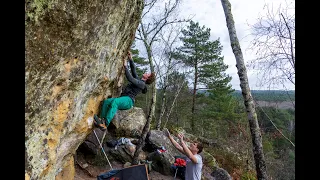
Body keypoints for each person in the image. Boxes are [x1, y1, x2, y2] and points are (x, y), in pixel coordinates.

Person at [94, 51, 156, 131]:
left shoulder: (142, 84)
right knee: (106, 102)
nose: (146, 73)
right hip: (125, 98)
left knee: (115, 102)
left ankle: (105, 123)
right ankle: (101, 120)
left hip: (129, 100)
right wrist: (131, 59)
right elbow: (133, 71)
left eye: (148, 74)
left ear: (148, 78)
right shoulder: (139, 80)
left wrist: (125, 67)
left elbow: (130, 78)